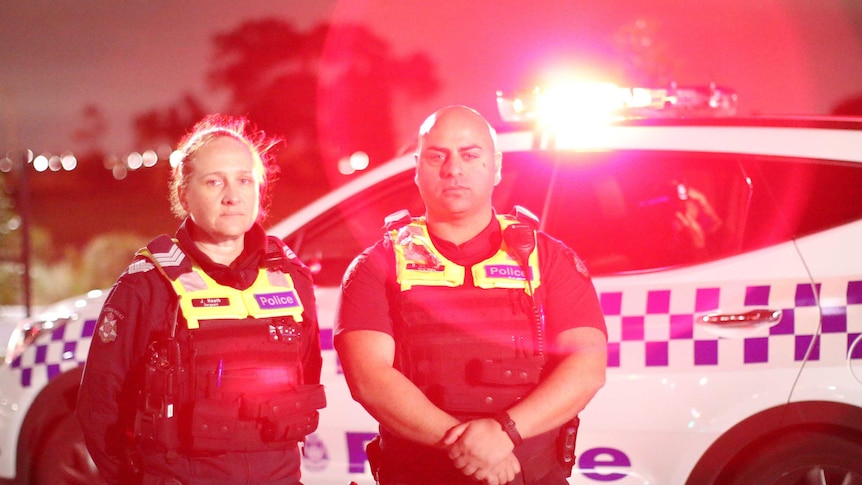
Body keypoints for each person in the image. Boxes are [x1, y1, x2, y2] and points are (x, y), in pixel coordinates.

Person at [334, 105, 607, 485]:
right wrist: (470, 447)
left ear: (496, 166)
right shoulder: (376, 266)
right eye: (437, 155)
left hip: (528, 473)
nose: (453, 169)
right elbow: (369, 379)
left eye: (470, 154)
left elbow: (587, 366)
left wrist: (504, 433)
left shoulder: (550, 260)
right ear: (416, 168)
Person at [77, 114, 325, 485]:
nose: (232, 196)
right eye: (214, 182)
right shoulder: (148, 286)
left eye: (244, 180)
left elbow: (308, 368)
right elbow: (100, 409)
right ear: (183, 193)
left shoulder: (291, 278)